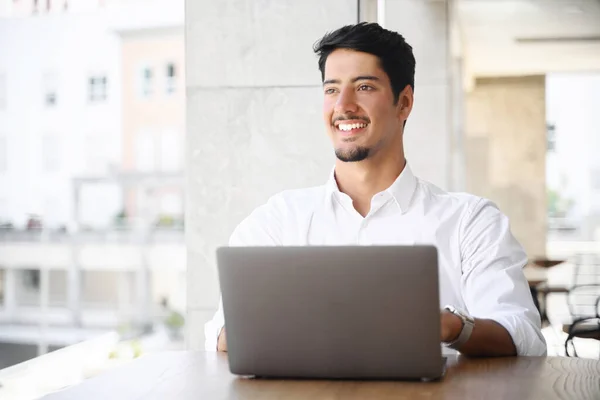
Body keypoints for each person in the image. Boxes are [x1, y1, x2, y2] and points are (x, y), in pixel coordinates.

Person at [205, 22, 546, 357]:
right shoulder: (277, 222)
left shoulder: (470, 221)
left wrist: (449, 326)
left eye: (364, 87)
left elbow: (523, 337)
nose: (343, 105)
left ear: (405, 102)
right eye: (331, 89)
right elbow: (221, 333)